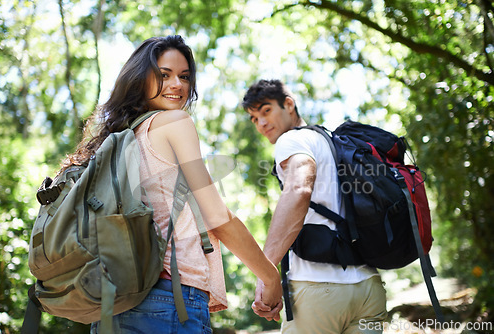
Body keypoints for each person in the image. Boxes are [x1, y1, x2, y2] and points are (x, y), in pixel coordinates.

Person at [62, 35, 282, 333]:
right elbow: (217, 216)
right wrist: (270, 277)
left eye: (184, 76)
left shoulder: (119, 140)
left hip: (113, 305)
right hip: (168, 300)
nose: (177, 84)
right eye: (164, 75)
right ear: (140, 78)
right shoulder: (175, 123)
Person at [242, 79, 388, 333]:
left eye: (266, 111)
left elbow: (299, 189)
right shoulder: (331, 142)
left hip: (318, 290)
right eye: (254, 119)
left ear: (288, 104)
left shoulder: (291, 141)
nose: (261, 123)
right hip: (369, 287)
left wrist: (267, 271)